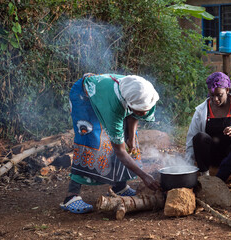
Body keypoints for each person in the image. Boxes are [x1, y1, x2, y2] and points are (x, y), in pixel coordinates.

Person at [60, 73, 161, 214]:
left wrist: (131, 138)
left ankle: (119, 187)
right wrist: (144, 176)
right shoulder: (113, 107)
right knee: (91, 140)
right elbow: (119, 151)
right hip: (84, 97)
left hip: (106, 97)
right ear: (129, 104)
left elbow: (135, 115)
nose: (144, 114)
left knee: (128, 141)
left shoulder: (144, 94)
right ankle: (71, 196)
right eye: (141, 110)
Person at [185, 72, 231, 198]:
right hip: (212, 155)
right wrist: (186, 168)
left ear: (227, 90)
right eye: (212, 95)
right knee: (199, 137)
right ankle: (206, 180)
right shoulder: (201, 111)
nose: (215, 99)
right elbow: (190, 139)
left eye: (219, 95)